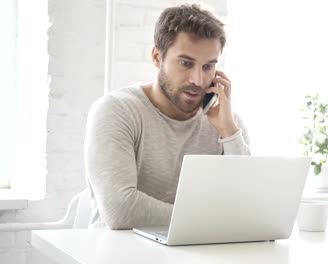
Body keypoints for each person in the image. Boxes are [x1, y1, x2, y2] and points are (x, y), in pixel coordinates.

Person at [84, 4, 250, 229]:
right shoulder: (116, 111)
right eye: (186, 63)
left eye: (208, 66)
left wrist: (229, 132)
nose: (198, 80)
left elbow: (249, 206)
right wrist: (215, 221)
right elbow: (120, 210)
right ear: (156, 57)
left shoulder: (226, 123)